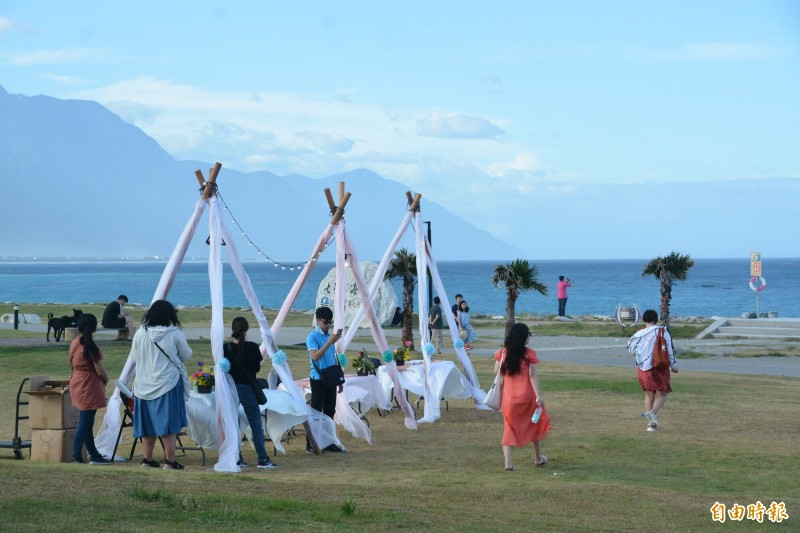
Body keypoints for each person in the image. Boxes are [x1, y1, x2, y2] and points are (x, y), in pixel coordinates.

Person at [131, 299, 192, 470]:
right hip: (168, 383)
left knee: (147, 424)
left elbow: (135, 358)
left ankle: (147, 459)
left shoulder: (140, 333)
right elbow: (186, 355)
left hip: (143, 384)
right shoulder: (174, 333)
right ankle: (169, 461)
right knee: (169, 424)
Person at [493, 323, 551, 471]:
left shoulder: (503, 353)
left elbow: (496, 371)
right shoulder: (529, 354)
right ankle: (538, 458)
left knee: (509, 426)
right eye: (528, 334)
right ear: (523, 337)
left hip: (509, 398)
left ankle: (508, 463)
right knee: (535, 424)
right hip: (527, 396)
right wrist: (539, 395)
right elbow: (532, 374)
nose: (529, 336)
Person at [224, 316, 277, 469]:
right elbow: (256, 368)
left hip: (231, 389)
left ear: (232, 329)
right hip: (247, 388)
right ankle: (262, 458)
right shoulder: (253, 347)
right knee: (255, 423)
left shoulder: (225, 348)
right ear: (246, 330)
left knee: (233, 423)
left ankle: (237, 457)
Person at [69, 313, 112, 465]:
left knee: (86, 422)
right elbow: (100, 371)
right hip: (89, 385)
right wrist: (106, 380)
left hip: (77, 382)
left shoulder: (75, 343)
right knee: (85, 422)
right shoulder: (91, 347)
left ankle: (93, 454)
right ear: (94, 328)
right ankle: (75, 456)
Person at [627, 309, 678, 432]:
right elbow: (669, 349)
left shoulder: (639, 333)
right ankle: (652, 414)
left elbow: (631, 350)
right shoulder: (662, 331)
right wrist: (674, 365)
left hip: (643, 368)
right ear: (656, 320)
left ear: (644, 320)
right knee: (663, 394)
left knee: (649, 395)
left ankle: (651, 425)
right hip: (659, 366)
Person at [306, 306, 344, 453]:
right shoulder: (312, 337)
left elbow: (333, 359)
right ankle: (311, 444)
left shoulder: (329, 337)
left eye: (330, 322)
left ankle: (328, 442)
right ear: (317, 321)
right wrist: (330, 342)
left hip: (330, 378)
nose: (327, 325)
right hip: (318, 378)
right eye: (325, 322)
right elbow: (315, 356)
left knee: (329, 411)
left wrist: (338, 380)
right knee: (316, 412)